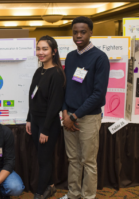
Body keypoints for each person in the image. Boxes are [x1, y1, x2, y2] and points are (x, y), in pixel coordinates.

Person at [60, 16, 110, 199]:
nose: (78, 35)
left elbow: (98, 95)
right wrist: (65, 112)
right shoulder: (71, 57)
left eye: (83, 32)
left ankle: (88, 196)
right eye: (75, 32)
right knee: (73, 159)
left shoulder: (100, 57)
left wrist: (74, 116)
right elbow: (67, 88)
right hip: (69, 115)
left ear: (91, 32)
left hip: (88, 117)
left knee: (88, 161)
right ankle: (73, 194)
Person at [26, 36, 66, 199]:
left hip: (47, 124)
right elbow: (33, 97)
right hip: (35, 121)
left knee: (44, 160)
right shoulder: (39, 71)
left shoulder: (56, 74)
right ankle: (50, 187)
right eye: (38, 49)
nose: (40, 52)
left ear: (54, 51)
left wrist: (45, 129)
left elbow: (54, 105)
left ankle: (40, 193)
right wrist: (29, 118)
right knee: (41, 157)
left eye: (45, 49)